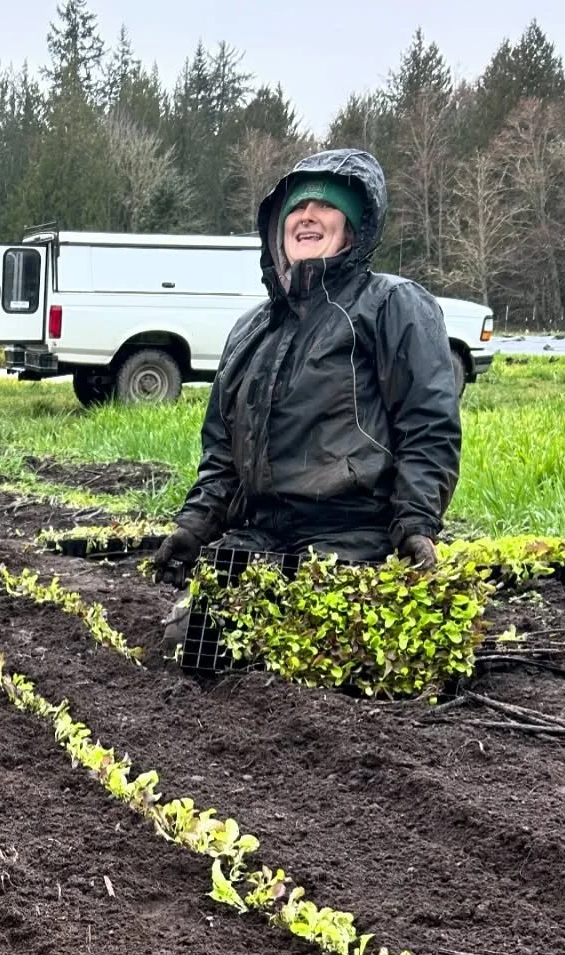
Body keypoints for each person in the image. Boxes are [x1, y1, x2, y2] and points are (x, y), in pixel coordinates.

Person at [151, 149, 460, 633]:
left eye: (325, 205)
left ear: (354, 229)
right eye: (297, 207)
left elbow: (428, 426)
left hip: (354, 538)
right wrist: (194, 527)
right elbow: (222, 453)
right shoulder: (251, 329)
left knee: (315, 655)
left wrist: (416, 526)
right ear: (279, 224)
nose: (307, 215)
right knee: (189, 638)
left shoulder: (393, 305)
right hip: (264, 535)